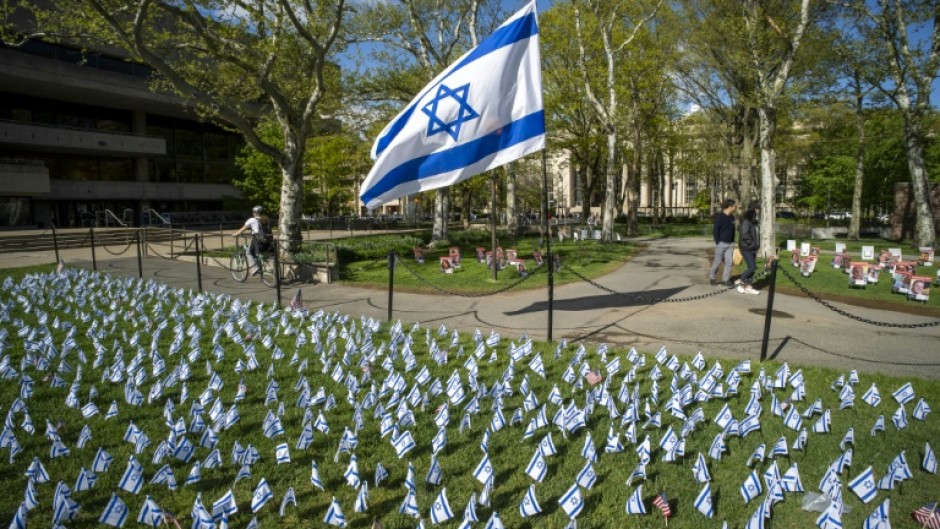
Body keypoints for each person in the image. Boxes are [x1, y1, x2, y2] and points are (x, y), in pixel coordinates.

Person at [232, 205, 272, 276]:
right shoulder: (266, 219)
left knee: (248, 253)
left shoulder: (252, 220)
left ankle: (254, 268)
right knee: (257, 253)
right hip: (267, 241)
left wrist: (236, 234)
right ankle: (260, 265)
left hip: (258, 241)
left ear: (255, 212)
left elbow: (243, 229)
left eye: (253, 212)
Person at [709, 198, 737, 286]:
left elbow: (732, 230)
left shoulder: (732, 217)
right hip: (721, 243)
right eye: (734, 206)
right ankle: (712, 277)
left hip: (730, 244)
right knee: (717, 262)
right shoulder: (720, 217)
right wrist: (718, 242)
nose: (735, 207)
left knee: (729, 263)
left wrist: (732, 241)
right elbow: (715, 230)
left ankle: (725, 280)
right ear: (730, 206)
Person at [736, 202, 760, 294]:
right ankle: (740, 282)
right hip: (746, 248)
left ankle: (748, 286)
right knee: (752, 267)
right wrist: (752, 244)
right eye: (757, 209)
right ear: (753, 210)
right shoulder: (746, 221)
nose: (758, 211)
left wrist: (756, 245)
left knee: (752, 268)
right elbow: (745, 235)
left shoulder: (754, 221)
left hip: (753, 248)